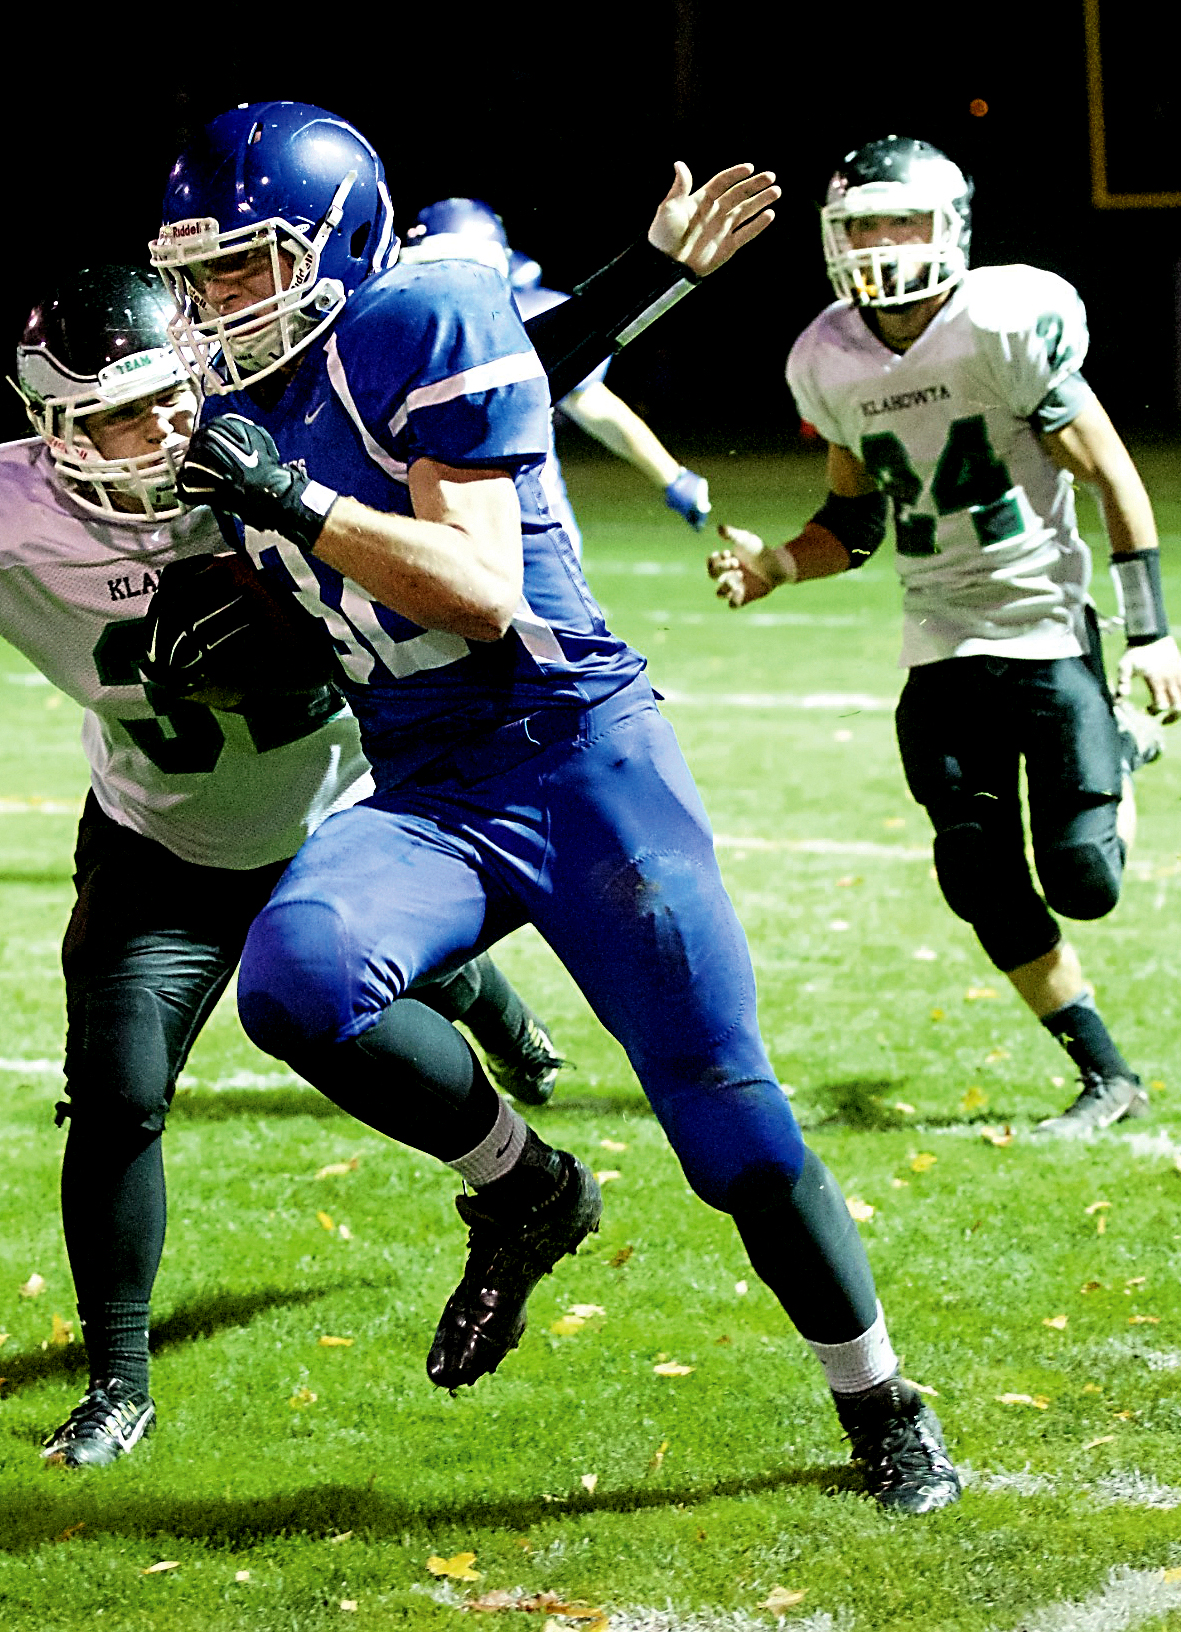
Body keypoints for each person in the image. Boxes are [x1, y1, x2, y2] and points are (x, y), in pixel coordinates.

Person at [147, 100, 960, 1514]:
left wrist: (288, 505)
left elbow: (480, 591)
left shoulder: (424, 312)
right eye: (199, 274)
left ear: (334, 245)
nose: (215, 305)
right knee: (296, 981)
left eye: (244, 267)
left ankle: (878, 1400)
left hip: (576, 757)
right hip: (427, 781)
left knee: (727, 1127)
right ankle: (524, 1187)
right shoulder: (228, 397)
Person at [0, 265, 565, 1470]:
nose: (167, 427)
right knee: (118, 1096)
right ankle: (116, 1380)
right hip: (159, 839)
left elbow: (488, 407)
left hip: (342, 818)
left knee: (357, 1005)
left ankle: (509, 1114)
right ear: (55, 423)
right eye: (125, 411)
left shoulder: (267, 458)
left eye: (174, 394)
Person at [706, 135, 1181, 1138]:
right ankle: (1106, 1074)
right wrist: (776, 565)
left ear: (951, 230)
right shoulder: (825, 358)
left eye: (903, 221)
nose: (882, 243)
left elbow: (1110, 474)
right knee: (976, 875)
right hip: (937, 643)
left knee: (1085, 884)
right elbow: (852, 524)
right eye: (862, 224)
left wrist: (1148, 635)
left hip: (1043, 629)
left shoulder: (1005, 323)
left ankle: (1120, 743)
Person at [401, 197, 712, 548]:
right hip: (434, 532)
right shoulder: (382, 333)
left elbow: (595, 407)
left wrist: (673, 476)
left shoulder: (522, 323)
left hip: (526, 534)